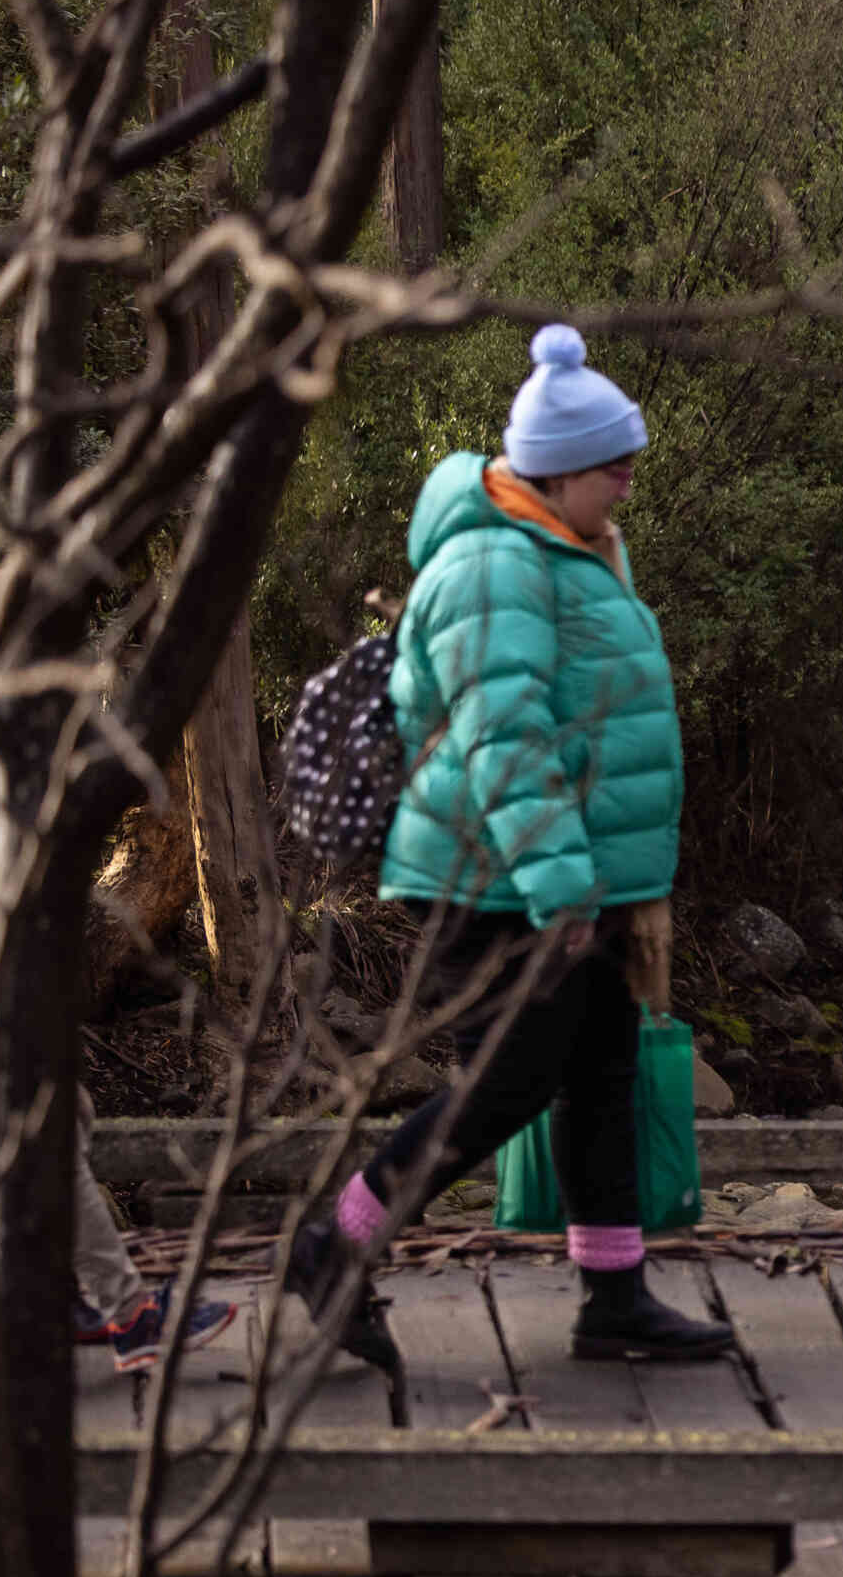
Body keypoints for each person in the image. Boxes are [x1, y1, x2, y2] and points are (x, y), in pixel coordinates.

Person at [285, 326, 732, 1370]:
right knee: (510, 1080)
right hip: (495, 885)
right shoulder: (491, 565)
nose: (628, 485)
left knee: (601, 1078)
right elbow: (504, 737)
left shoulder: (572, 551)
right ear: (563, 468)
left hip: (582, 880)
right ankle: (333, 1247)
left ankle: (614, 1299)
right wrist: (563, 882)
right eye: (617, 467)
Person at [0, 729, 234, 1372]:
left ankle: (57, 1299)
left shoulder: (11, 734)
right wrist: (4, 958)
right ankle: (128, 1314)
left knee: (61, 1117)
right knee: (44, 1132)